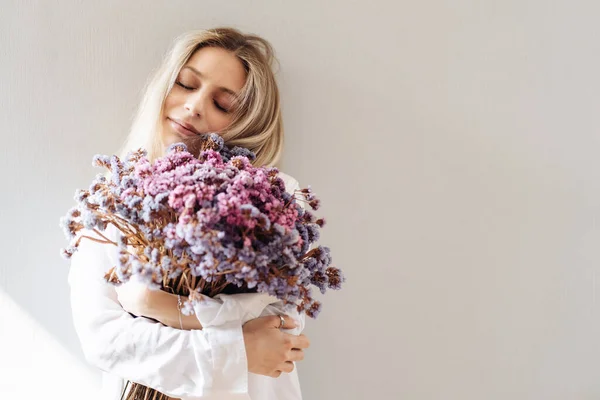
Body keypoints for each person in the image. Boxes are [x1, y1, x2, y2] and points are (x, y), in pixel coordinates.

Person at [67, 27, 311, 400]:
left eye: (222, 104)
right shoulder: (109, 203)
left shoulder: (276, 197)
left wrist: (156, 305)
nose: (195, 106)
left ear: (247, 122)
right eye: (185, 84)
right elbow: (105, 339)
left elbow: (282, 328)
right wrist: (237, 350)